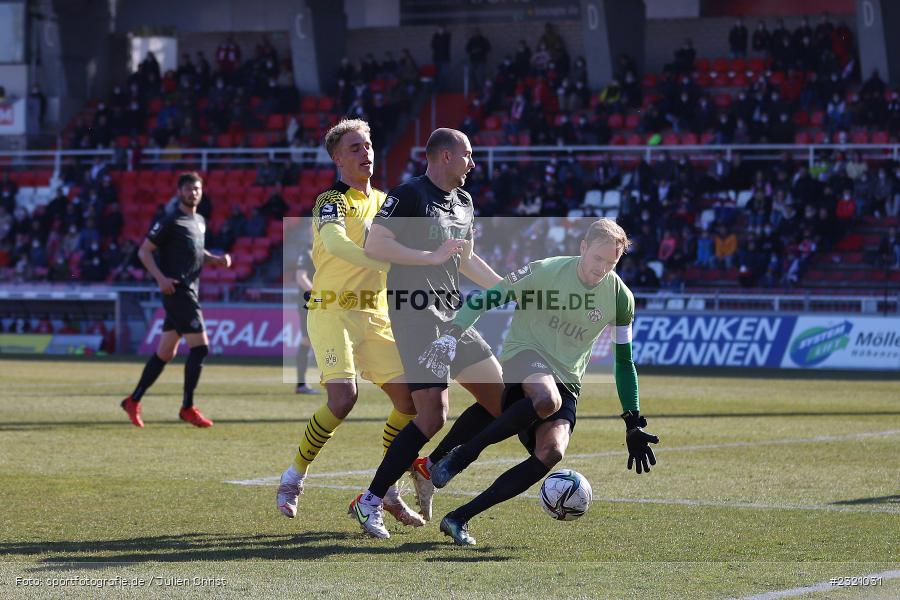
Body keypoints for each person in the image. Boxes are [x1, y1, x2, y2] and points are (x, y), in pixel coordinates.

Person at [421, 219, 660, 545]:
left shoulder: (620, 297)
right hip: (524, 357)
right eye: (598, 258)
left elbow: (623, 361)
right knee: (547, 399)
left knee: (551, 452)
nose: (602, 268)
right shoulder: (545, 271)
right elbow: (486, 298)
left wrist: (632, 420)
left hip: (568, 380)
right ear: (583, 248)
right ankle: (463, 455)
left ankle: (459, 518)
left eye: (611, 262)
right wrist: (453, 332)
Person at [348, 128, 506, 539]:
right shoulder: (409, 195)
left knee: (500, 399)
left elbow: (466, 260)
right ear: (444, 156)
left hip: (455, 316)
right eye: (468, 155)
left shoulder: (465, 202)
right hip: (416, 317)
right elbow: (375, 245)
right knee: (432, 415)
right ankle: (369, 502)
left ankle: (428, 465)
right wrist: (428, 256)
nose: (473, 164)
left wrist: (507, 289)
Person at [275, 119, 423, 528]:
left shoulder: (388, 201)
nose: (365, 152)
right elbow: (338, 244)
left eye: (369, 145)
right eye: (355, 147)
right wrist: (384, 258)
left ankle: (386, 489)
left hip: (375, 315)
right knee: (343, 399)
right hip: (332, 310)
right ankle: (294, 478)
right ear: (338, 158)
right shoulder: (330, 201)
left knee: (412, 403)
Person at [120, 172, 231, 428]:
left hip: (189, 290)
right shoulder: (170, 220)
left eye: (198, 189)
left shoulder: (200, 221)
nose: (194, 193)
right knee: (200, 348)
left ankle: (133, 400)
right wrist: (160, 279)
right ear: (180, 192)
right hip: (177, 290)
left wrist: (216, 260)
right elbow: (144, 251)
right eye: (190, 189)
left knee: (165, 353)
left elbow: (195, 251)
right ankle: (187, 407)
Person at [294, 245, 318, 394]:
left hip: (325, 301)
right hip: (310, 302)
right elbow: (300, 277)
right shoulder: (306, 251)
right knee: (306, 340)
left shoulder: (327, 247)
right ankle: (301, 384)